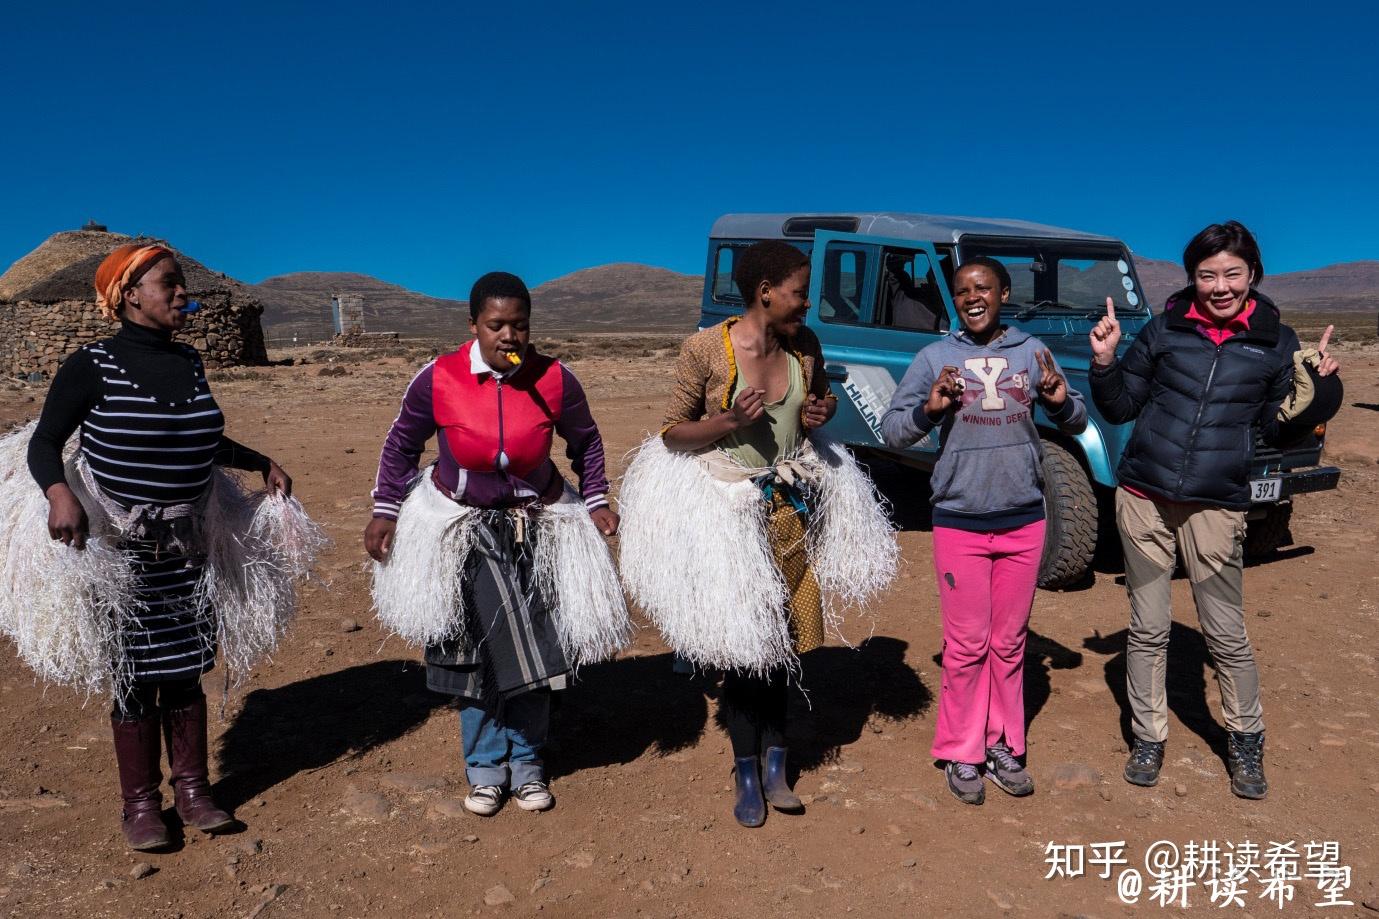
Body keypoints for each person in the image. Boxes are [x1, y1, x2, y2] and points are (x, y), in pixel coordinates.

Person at [24, 243, 295, 850]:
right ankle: (141, 804)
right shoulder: (91, 365)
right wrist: (58, 495)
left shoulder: (190, 362)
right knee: (133, 671)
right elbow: (44, 444)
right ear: (127, 295)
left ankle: (194, 791)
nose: (181, 293)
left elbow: (199, 436)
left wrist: (259, 462)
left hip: (187, 545)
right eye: (167, 283)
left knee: (184, 669)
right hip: (119, 550)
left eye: (181, 283)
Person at [618, 240, 897, 827]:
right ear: (765, 291)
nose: (807, 306)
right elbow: (672, 433)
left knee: (784, 645)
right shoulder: (707, 350)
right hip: (727, 515)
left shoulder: (805, 347)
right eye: (800, 293)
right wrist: (727, 421)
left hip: (788, 509)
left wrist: (819, 416)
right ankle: (748, 771)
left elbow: (812, 414)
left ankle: (777, 763)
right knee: (746, 652)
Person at [1089, 220, 1342, 799]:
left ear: (1253, 274)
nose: (1220, 286)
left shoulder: (1275, 342)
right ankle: (1148, 736)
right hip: (1145, 497)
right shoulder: (1166, 329)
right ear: (1192, 279)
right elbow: (1121, 404)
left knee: (1225, 633)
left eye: (1232, 273)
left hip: (1216, 502)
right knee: (1148, 628)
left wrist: (1321, 386)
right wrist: (1105, 362)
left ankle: (1246, 739)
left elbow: (1286, 427)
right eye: (1207, 275)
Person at [366, 271, 628, 817]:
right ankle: (485, 769)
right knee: (474, 657)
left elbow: (586, 442)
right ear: (474, 326)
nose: (509, 336)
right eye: (497, 325)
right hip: (462, 529)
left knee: (536, 650)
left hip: (536, 526)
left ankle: (528, 765)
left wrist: (597, 498)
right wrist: (385, 512)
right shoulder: (439, 378)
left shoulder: (554, 379)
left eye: (520, 326)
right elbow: (400, 446)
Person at [881, 257, 1087, 805]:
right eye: (962, 291)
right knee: (968, 644)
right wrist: (930, 408)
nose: (972, 298)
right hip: (960, 520)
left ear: (1003, 293)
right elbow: (894, 430)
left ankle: (1003, 745)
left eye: (983, 288)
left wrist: (1059, 399)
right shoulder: (935, 358)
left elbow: (1079, 419)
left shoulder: (1030, 352)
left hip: (1023, 518)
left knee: (1010, 642)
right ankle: (962, 751)